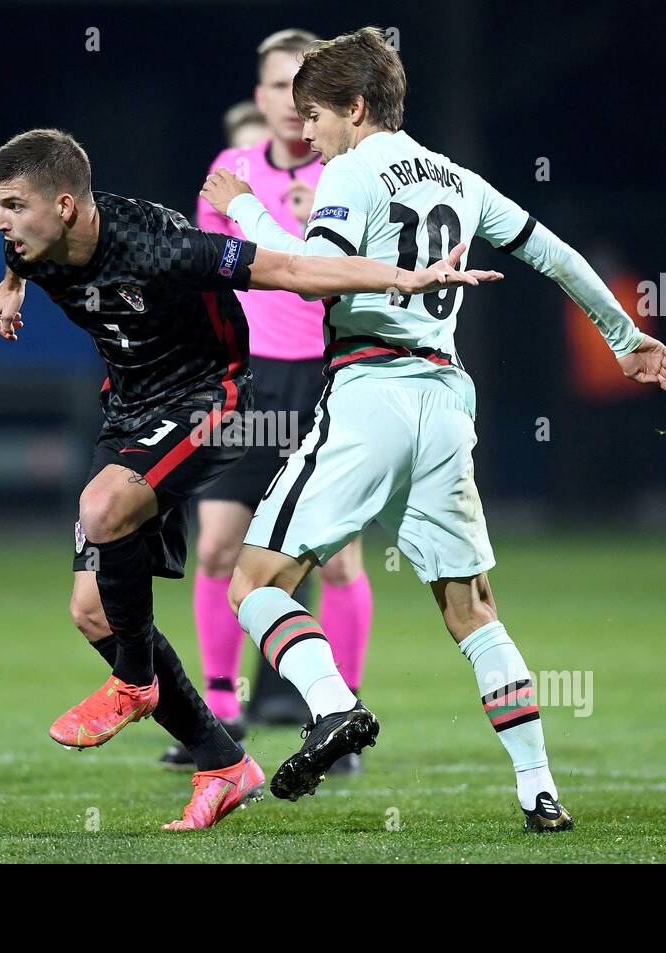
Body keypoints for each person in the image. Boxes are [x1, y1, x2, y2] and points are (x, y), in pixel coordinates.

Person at [201, 28, 666, 831]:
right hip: (447, 402)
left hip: (369, 393)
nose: (307, 133)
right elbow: (556, 254)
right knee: (472, 607)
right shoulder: (457, 177)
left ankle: (332, 705)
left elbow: (306, 272)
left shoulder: (352, 173)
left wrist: (239, 204)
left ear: (354, 108)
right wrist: (625, 337)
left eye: (314, 115)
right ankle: (538, 789)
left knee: (252, 581)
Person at [0, 126, 500, 829]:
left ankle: (134, 682)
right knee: (92, 610)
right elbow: (15, 254)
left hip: (212, 397)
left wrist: (403, 278)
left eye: (12, 206)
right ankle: (223, 760)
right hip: (131, 410)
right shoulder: (29, 242)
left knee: (102, 507)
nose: (0, 222)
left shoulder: (159, 246)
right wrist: (11, 287)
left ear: (67, 206)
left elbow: (289, 271)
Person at [168, 28, 376, 771]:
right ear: (259, 100)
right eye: (279, 88)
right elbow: (206, 269)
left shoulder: (351, 172)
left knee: (340, 559)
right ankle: (219, 717)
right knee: (220, 546)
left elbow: (368, 268)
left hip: (327, 377)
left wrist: (305, 216)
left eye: (305, 89)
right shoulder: (231, 170)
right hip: (245, 378)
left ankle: (340, 716)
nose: (293, 105)